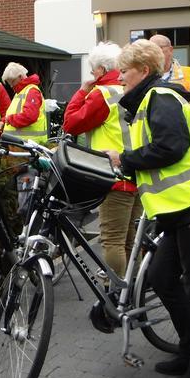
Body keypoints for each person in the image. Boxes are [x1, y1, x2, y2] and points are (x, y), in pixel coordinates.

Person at [105, 39, 190, 378]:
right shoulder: (149, 101)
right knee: (163, 278)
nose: (120, 77)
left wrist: (126, 159)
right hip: (182, 207)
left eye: (124, 71)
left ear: (143, 71)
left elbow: (170, 147)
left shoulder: (159, 98)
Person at [62, 42, 140, 278]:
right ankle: (131, 293)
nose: (92, 76)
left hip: (113, 176)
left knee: (112, 240)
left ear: (102, 71)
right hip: (137, 171)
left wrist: (82, 91)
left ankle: (115, 296)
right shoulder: (133, 89)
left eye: (93, 72)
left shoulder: (103, 94)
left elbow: (71, 123)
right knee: (129, 240)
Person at [152, 34, 190, 119]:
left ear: (170, 50)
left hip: (183, 129)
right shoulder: (144, 76)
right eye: (150, 50)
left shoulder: (189, 74)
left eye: (158, 49)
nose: (153, 53)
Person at [0, 62, 47, 143]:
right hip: (21, 144)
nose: (11, 86)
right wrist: (4, 121)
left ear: (20, 77)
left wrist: (8, 120)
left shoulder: (31, 91)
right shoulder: (21, 92)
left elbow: (29, 116)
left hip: (28, 145)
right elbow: (15, 112)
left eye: (12, 81)